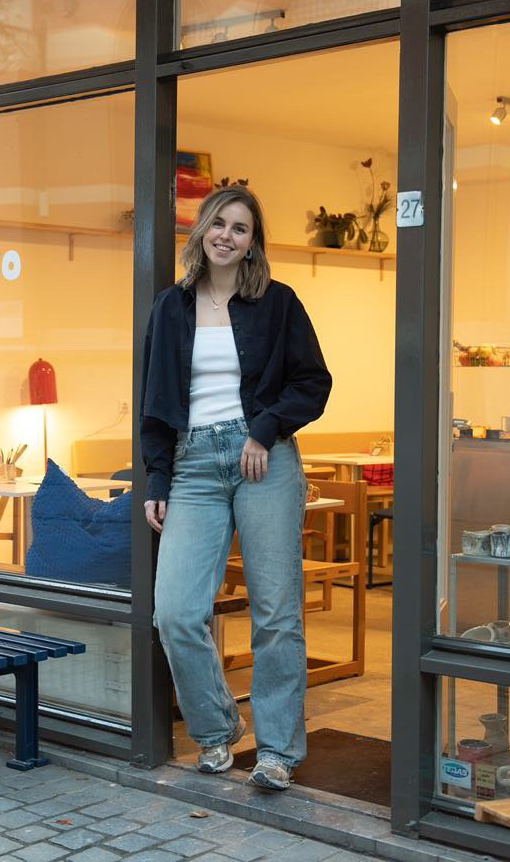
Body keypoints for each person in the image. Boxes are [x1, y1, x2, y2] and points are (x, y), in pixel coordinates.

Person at [140, 185, 332, 790]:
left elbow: (313, 383)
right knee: (175, 612)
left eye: (240, 228)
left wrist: (263, 430)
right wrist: (157, 476)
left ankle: (276, 751)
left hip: (263, 462)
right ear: (201, 231)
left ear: (253, 243)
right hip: (192, 464)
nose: (227, 235)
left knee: (276, 613)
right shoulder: (169, 308)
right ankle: (218, 727)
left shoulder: (278, 303)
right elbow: (154, 400)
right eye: (219, 223)